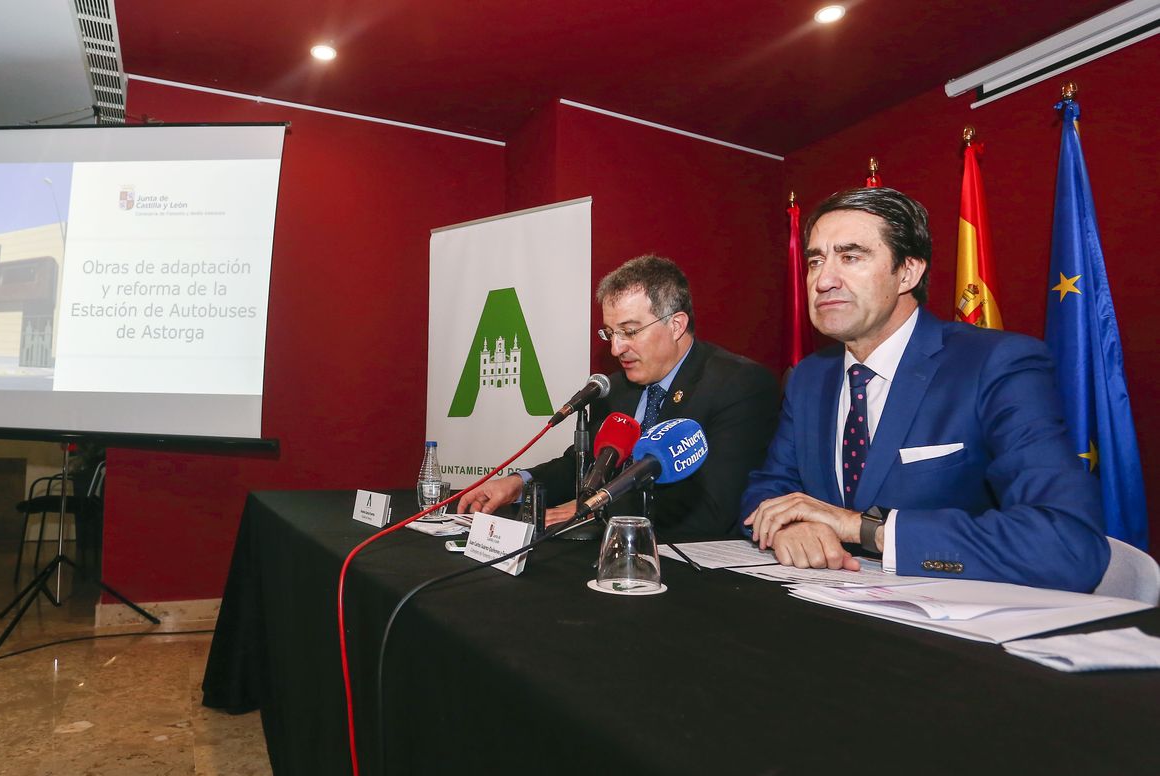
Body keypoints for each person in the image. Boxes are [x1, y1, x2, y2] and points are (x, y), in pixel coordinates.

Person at [740, 187, 1108, 591]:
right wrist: (788, 527)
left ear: (908, 272)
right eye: (815, 261)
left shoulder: (996, 364)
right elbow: (768, 487)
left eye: (851, 257)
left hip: (960, 629)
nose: (823, 280)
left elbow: (1067, 543)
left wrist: (862, 530)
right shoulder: (809, 377)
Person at [458, 254, 778, 541]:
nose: (615, 349)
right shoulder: (616, 388)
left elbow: (712, 509)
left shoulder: (738, 385)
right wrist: (519, 483)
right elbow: (581, 467)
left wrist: (595, 509)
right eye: (610, 333)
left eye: (629, 331)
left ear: (676, 325)